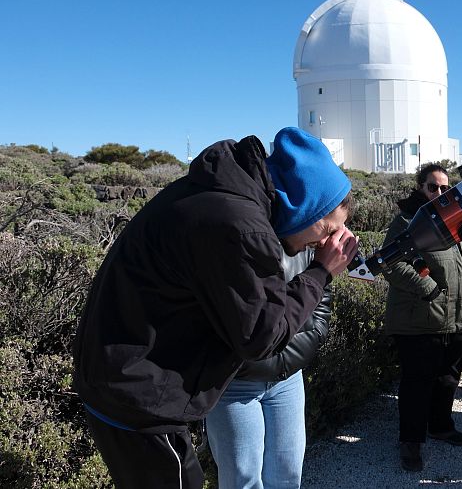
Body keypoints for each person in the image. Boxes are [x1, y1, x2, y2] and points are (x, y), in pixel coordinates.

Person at [72, 127, 359, 488]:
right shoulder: (239, 225)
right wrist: (320, 272)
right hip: (137, 393)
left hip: (124, 373)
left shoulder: (225, 192)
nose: (324, 243)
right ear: (306, 211)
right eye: (327, 230)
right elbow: (260, 336)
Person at [381, 163, 462, 472]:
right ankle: (411, 442)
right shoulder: (408, 221)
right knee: (418, 382)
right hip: (420, 319)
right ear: (421, 188)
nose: (440, 193)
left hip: (459, 318)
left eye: (446, 188)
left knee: (447, 378)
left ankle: (441, 426)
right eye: (433, 187)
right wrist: (429, 289)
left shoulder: (459, 220)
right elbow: (390, 263)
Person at [205, 247, 333, 488]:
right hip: (235, 383)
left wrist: (315, 334)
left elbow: (322, 288)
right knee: (242, 482)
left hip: (288, 379)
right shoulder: (239, 228)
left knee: (287, 477)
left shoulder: (306, 235)